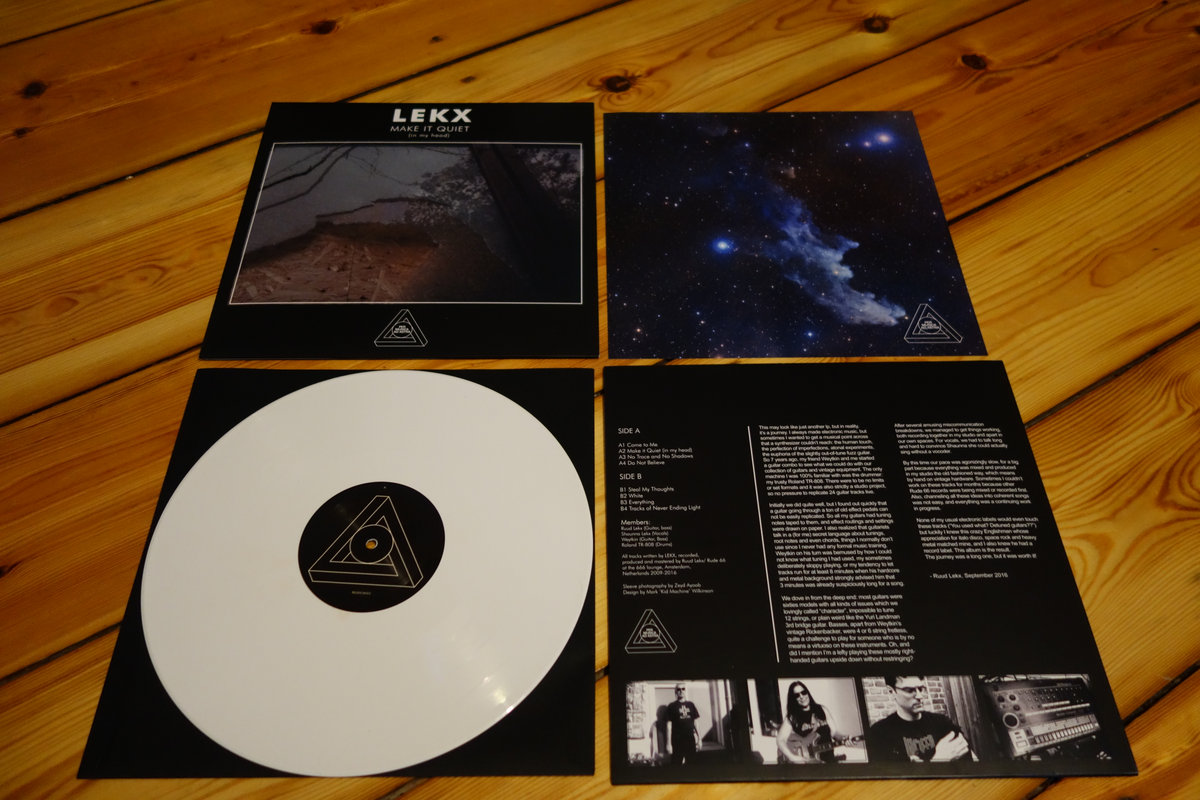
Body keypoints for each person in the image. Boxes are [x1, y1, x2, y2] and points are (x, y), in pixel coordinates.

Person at [866, 676, 976, 763]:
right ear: (891, 692)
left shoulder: (942, 722)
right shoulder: (879, 733)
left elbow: (972, 758)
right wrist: (939, 760)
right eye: (910, 690)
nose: (919, 696)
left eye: (920, 689)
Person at [776, 680, 842, 764]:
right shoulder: (792, 717)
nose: (801, 696)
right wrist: (792, 757)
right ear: (793, 699)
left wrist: (844, 739)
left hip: (829, 759)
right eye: (797, 695)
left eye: (803, 692)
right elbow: (780, 740)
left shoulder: (822, 709)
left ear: (807, 693)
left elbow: (834, 732)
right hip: (811, 764)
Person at [664, 683, 702, 764]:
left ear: (685, 690)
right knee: (676, 763)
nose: (681, 691)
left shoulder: (691, 705)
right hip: (677, 740)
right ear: (675, 692)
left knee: (691, 763)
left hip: (690, 739)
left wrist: (699, 739)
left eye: (683, 689)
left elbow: (696, 722)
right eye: (678, 689)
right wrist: (668, 743)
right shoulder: (671, 706)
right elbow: (669, 725)